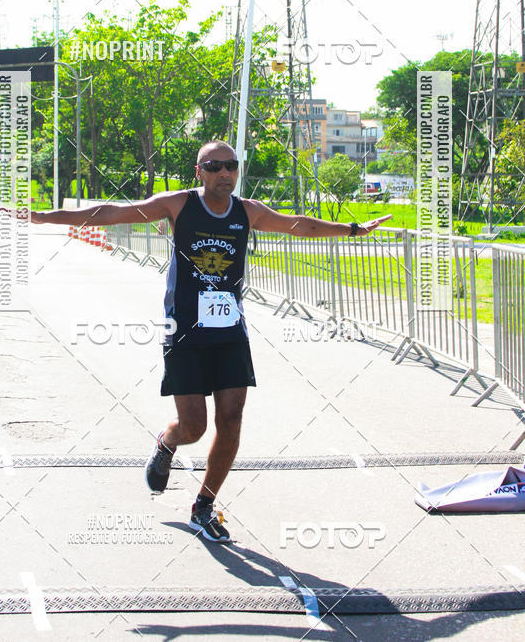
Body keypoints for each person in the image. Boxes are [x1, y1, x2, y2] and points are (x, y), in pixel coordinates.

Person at [28, 141, 391, 543]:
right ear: (199, 171)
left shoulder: (247, 211)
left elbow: (300, 224)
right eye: (214, 166)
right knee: (193, 427)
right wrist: (44, 217)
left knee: (231, 419)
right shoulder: (178, 205)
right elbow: (110, 213)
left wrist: (353, 229)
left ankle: (203, 505)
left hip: (229, 331)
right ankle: (167, 442)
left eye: (230, 166)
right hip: (184, 331)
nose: (224, 173)